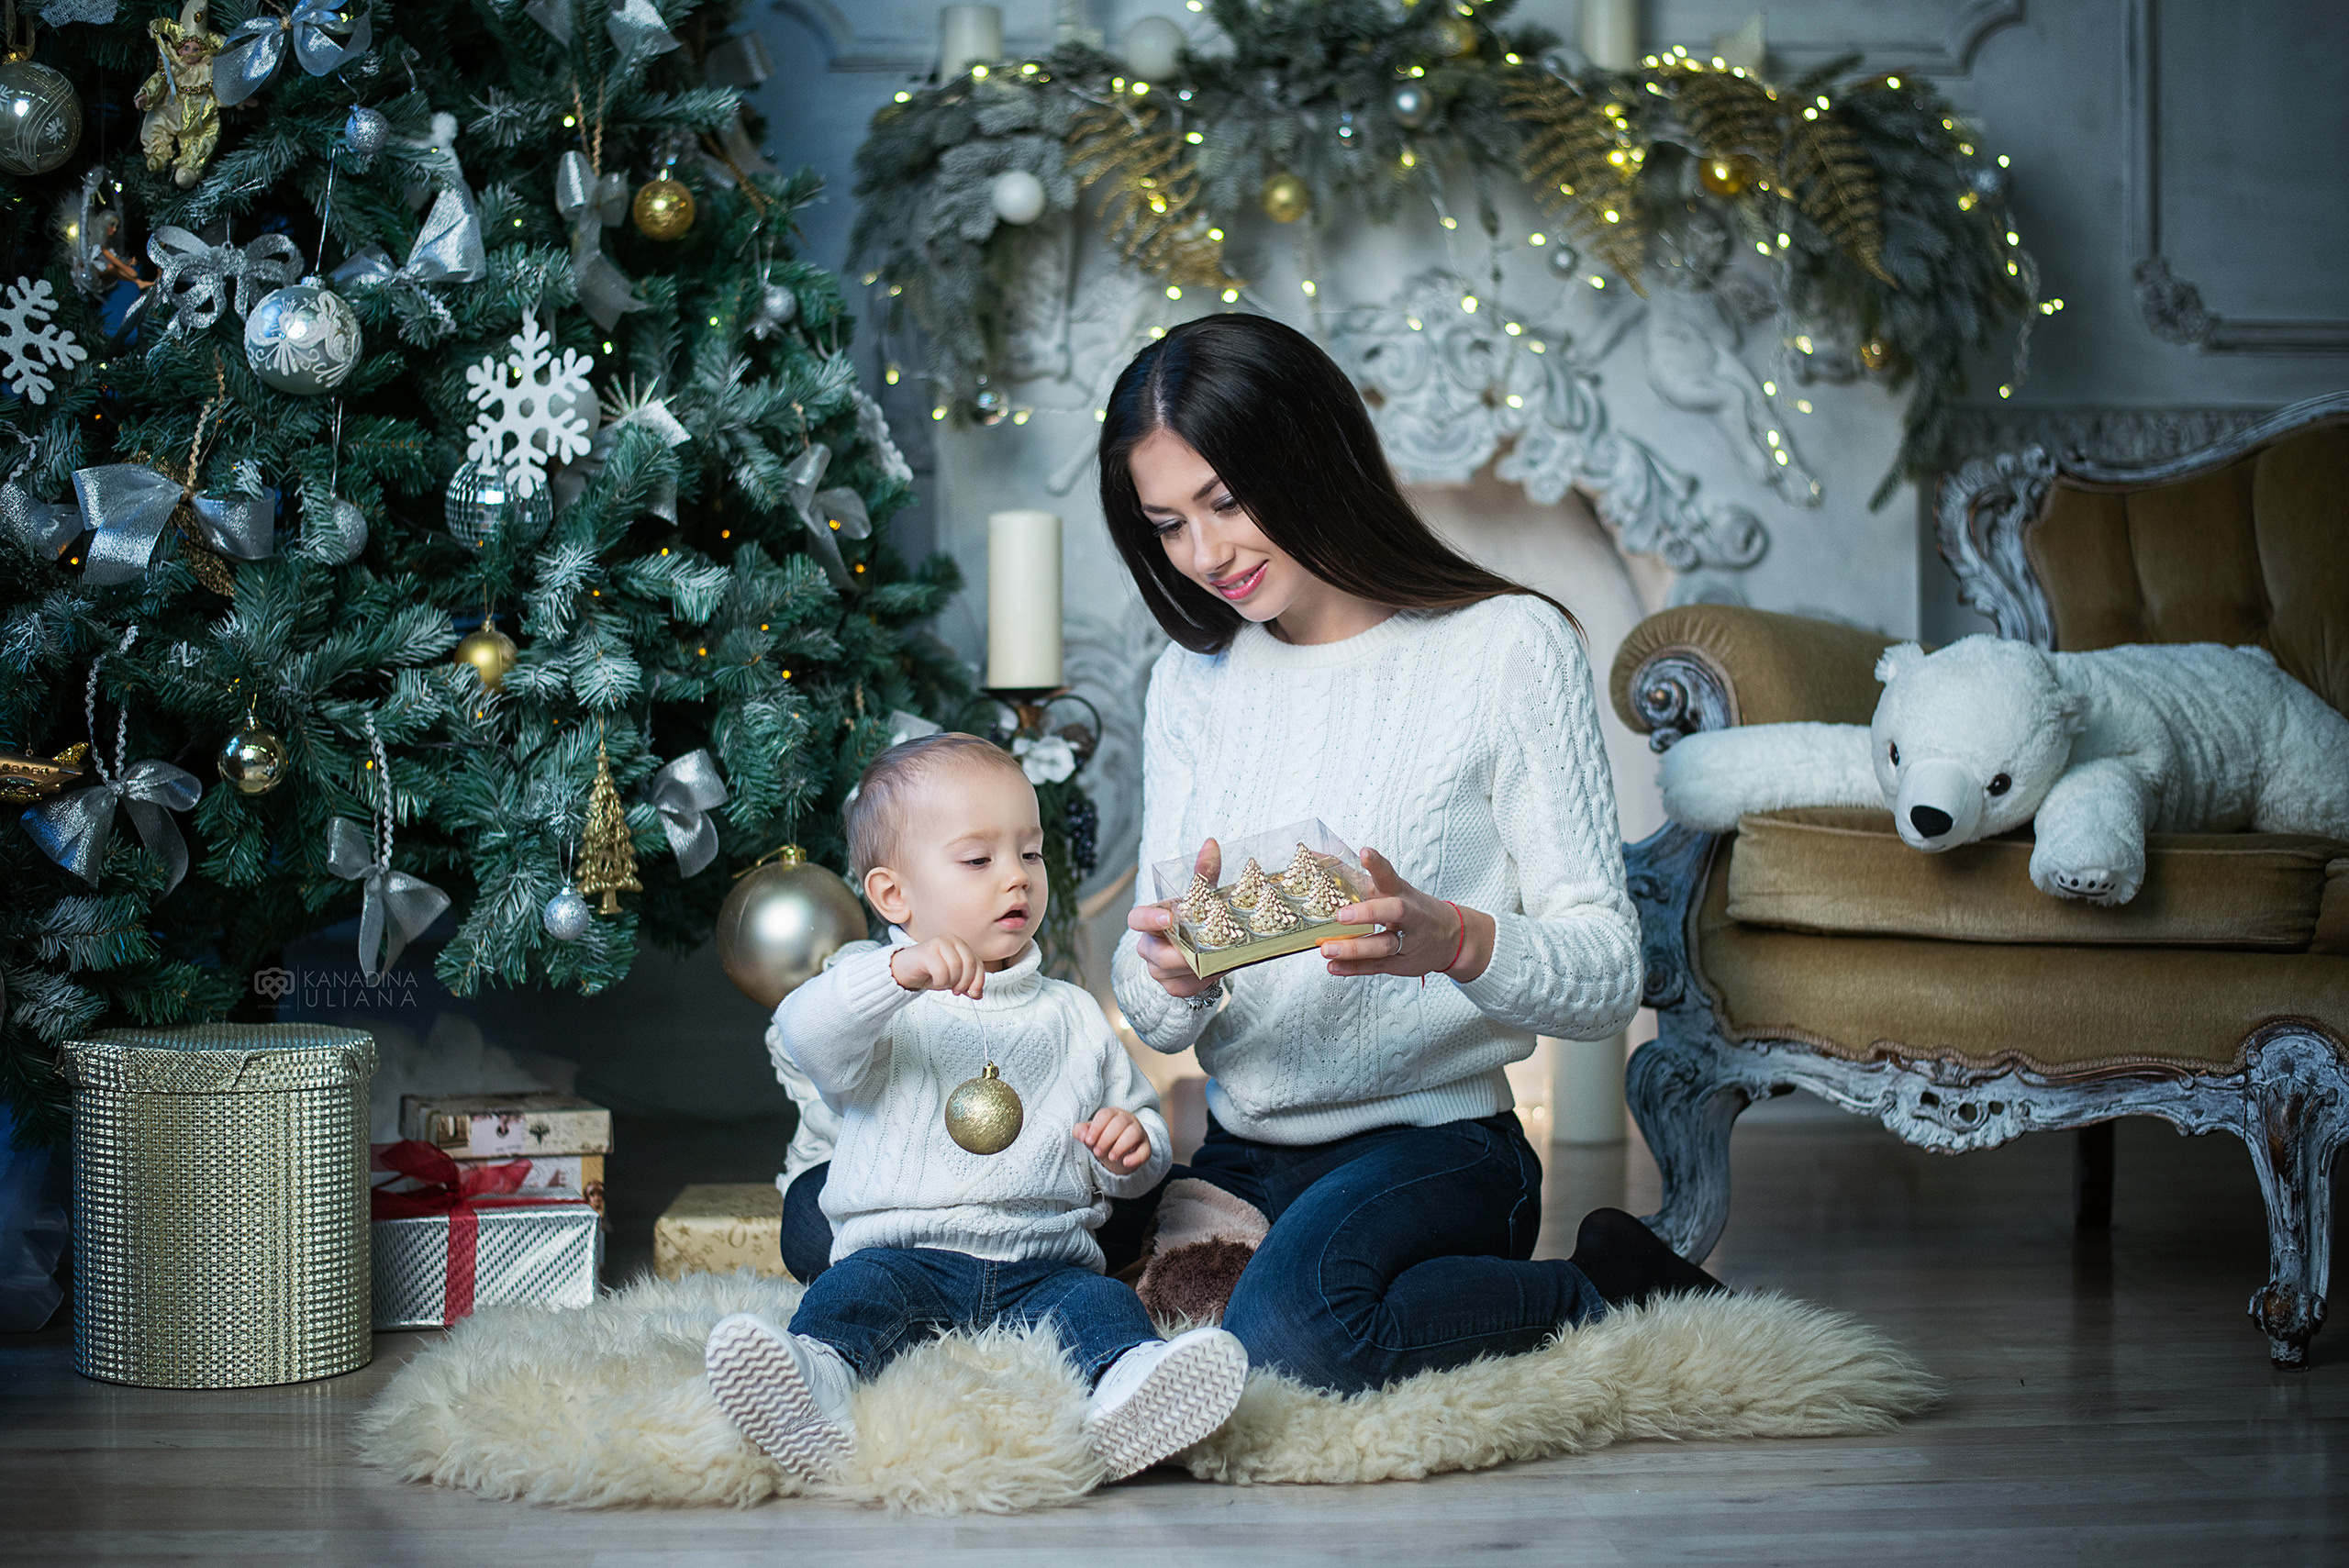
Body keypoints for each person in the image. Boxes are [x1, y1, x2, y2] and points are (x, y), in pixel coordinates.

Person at [1101, 313, 1724, 1396]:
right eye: (1167, 524)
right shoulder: (1191, 680)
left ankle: (1608, 1285)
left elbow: (1607, 970)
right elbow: (1156, 1014)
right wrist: (1170, 970)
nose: (1205, 557)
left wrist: (1457, 940)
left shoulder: (1505, 646)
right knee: (1083, 1316)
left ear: (1312, 458)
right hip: (1245, 1149)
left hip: (1436, 1148)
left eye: (1227, 503)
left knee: (1299, 1336)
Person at [706, 734, 1249, 1483]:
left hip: (1043, 1256)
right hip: (904, 1252)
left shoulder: (1070, 1012)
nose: (1016, 880)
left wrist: (1132, 1146)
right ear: (894, 894)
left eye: (1030, 854)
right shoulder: (877, 993)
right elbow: (806, 1034)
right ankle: (813, 1388)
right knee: (848, 1301)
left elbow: (1140, 1141)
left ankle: (1130, 1391)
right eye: (978, 859)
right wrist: (900, 972)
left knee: (1101, 1309)